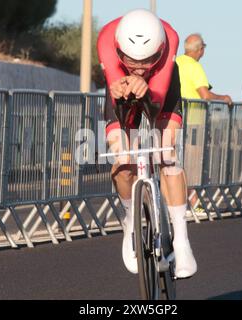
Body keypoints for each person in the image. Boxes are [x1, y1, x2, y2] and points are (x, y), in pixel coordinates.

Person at [97, 9, 197, 279]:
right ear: (119, 50)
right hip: (119, 84)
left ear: (160, 49)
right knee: (122, 157)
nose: (139, 66)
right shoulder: (106, 38)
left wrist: (144, 81)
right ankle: (131, 219)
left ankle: (181, 239)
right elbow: (116, 90)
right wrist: (121, 86)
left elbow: (158, 96)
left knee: (167, 153)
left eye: (147, 60)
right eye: (131, 60)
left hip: (162, 83)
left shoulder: (171, 39)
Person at [176, 33, 232, 214]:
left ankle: (190, 203)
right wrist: (223, 98)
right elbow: (205, 95)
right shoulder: (195, 67)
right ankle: (188, 204)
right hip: (193, 122)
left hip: (175, 120)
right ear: (200, 50)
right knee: (191, 165)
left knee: (177, 164)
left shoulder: (176, 63)